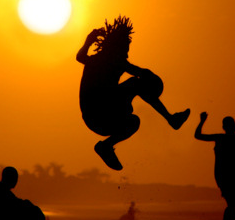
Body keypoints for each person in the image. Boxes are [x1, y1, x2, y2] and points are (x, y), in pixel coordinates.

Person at [76, 16, 190, 170]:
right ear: (118, 47)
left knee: (133, 121)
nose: (127, 53)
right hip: (99, 115)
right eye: (126, 48)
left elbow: (80, 57)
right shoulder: (113, 61)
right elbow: (141, 74)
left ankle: (107, 146)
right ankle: (171, 119)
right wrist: (152, 79)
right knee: (135, 84)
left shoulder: (101, 59)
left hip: (99, 119)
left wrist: (88, 41)